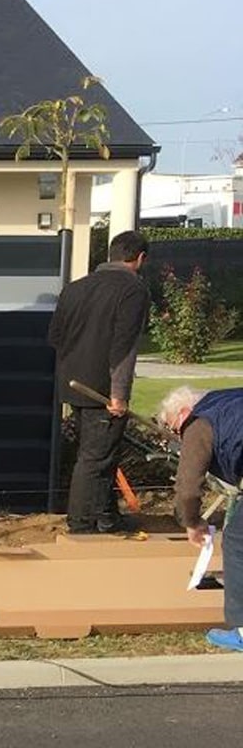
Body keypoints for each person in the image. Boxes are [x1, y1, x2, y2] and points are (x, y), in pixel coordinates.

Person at [48, 229, 150, 534]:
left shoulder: (75, 288)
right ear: (140, 258)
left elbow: (55, 337)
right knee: (95, 458)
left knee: (102, 453)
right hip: (102, 390)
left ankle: (107, 517)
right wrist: (119, 393)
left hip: (74, 384)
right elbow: (124, 346)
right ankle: (81, 524)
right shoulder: (133, 290)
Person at [156, 385, 243, 652]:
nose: (177, 436)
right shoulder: (228, 399)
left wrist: (192, 522)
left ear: (183, 412)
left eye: (173, 429)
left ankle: (242, 630)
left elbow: (187, 488)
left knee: (237, 541)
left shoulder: (198, 424)